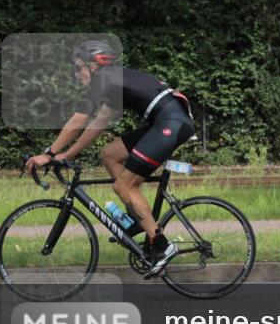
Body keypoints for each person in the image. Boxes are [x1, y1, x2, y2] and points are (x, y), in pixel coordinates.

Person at [25, 41, 195, 277]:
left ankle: (162, 246)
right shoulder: (113, 82)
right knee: (110, 154)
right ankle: (140, 218)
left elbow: (79, 120)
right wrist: (67, 155)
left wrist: (50, 154)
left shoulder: (103, 79)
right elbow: (98, 123)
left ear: (94, 65)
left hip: (169, 124)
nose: (77, 75)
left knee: (123, 185)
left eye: (78, 68)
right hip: (166, 121)